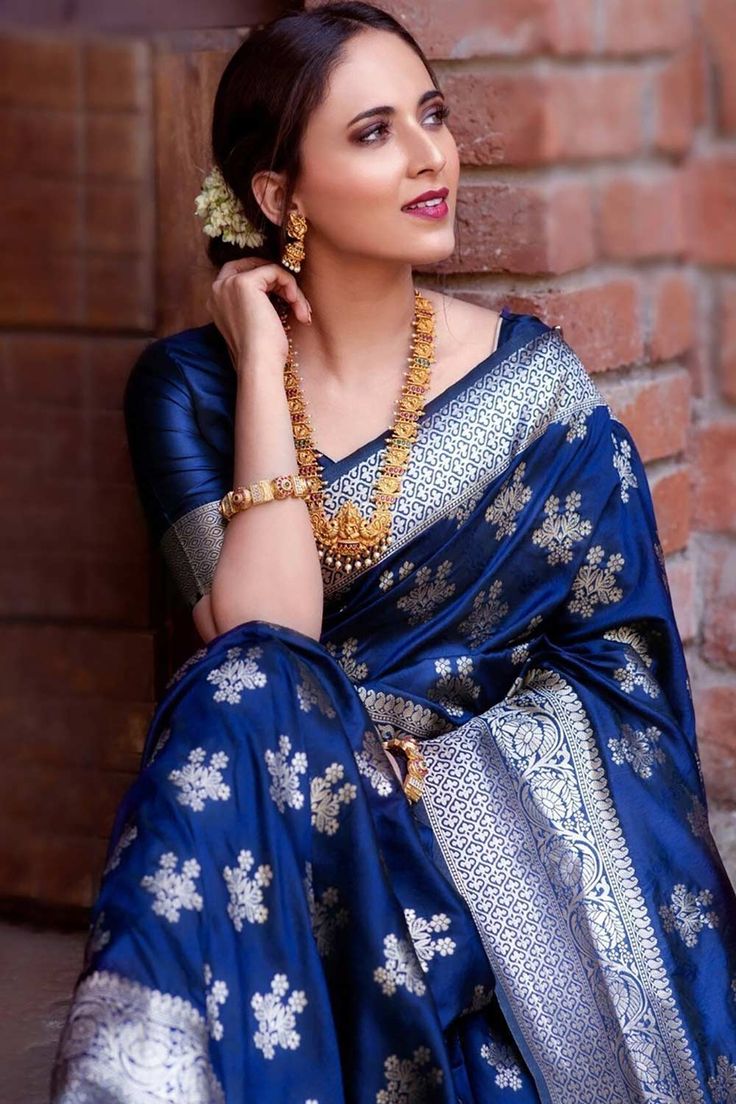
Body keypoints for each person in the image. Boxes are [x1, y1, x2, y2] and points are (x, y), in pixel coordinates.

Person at [50, 3, 736, 1101]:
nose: (430, 157)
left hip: (482, 829)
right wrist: (264, 362)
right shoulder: (188, 389)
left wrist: (434, 770)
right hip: (298, 807)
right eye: (373, 133)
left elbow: (617, 677)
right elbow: (263, 651)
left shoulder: (532, 393)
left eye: (431, 115)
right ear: (278, 194)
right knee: (242, 691)